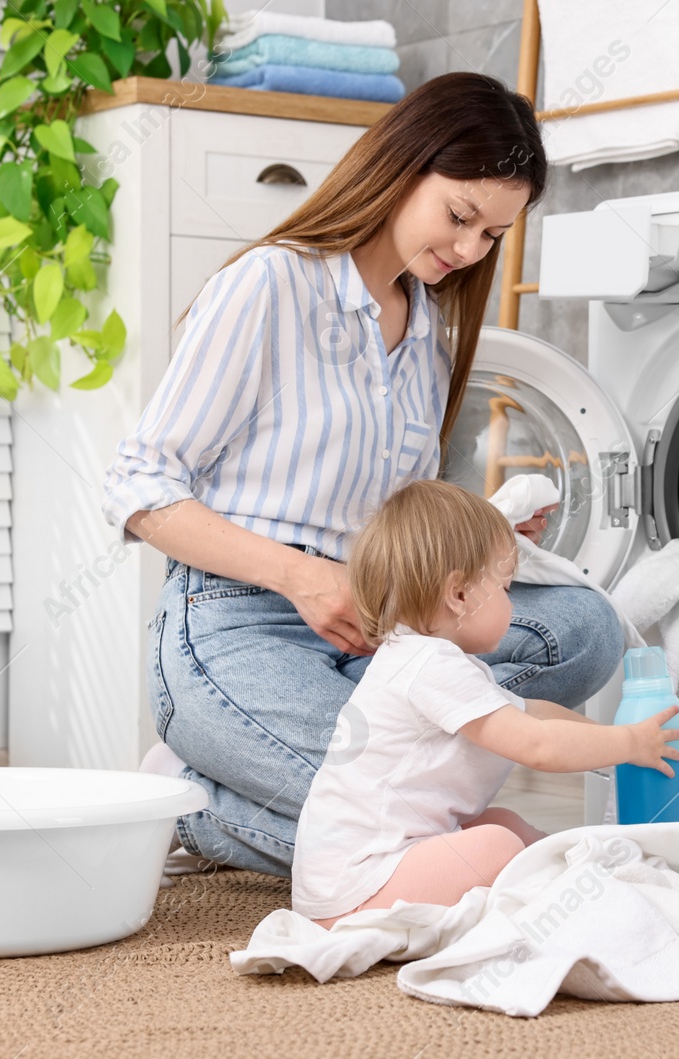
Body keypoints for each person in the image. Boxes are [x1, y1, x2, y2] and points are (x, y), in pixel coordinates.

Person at [101, 72, 626, 877]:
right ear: (403, 164)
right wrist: (304, 578)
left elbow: (392, 522)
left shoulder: (428, 337)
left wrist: (478, 541)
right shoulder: (272, 285)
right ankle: (191, 801)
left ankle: (393, 793)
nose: (468, 250)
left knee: (584, 627)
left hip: (382, 631)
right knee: (384, 806)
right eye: (460, 216)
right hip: (237, 627)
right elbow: (139, 485)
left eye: (492, 235)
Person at [294, 480, 679, 928]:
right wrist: (629, 744)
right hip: (357, 889)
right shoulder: (429, 667)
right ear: (459, 595)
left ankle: (574, 872)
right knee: (498, 845)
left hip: (368, 874)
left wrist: (610, 740)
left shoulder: (429, 658)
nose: (511, 601)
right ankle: (566, 888)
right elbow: (537, 745)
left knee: (503, 823)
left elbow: (533, 712)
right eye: (503, 587)